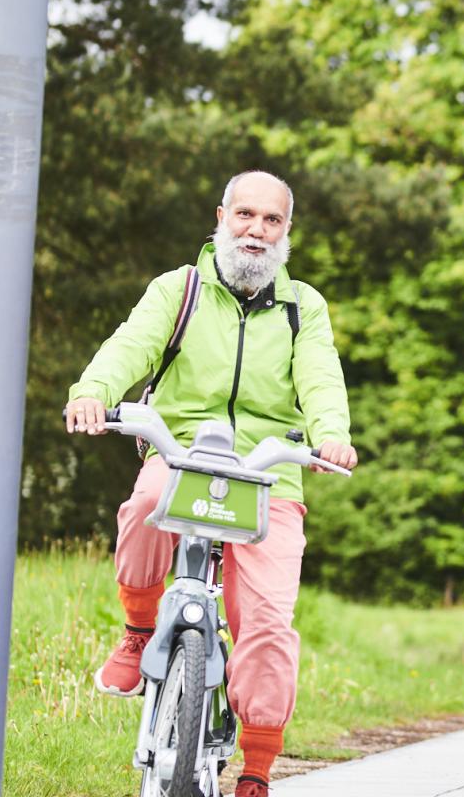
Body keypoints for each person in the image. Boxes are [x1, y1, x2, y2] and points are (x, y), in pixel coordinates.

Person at [65, 171, 358, 797]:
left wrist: (331, 434)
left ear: (286, 231)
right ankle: (140, 627)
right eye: (245, 215)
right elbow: (130, 347)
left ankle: (255, 767)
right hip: (184, 453)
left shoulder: (304, 306)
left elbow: (321, 380)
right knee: (144, 502)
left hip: (267, 474)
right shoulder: (180, 289)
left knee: (269, 623)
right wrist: (92, 392)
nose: (256, 230)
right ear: (221, 216)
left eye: (271, 220)